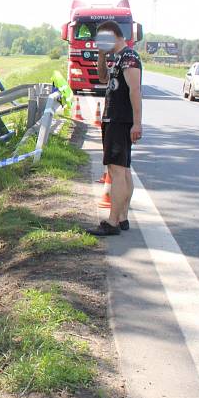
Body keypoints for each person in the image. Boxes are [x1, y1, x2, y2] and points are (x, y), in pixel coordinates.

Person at [89, 20, 143, 236]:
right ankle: (122, 217)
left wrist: (137, 123)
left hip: (120, 121)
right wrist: (101, 56)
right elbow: (102, 78)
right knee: (123, 169)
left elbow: (135, 90)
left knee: (117, 171)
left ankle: (112, 222)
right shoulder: (117, 58)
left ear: (113, 35)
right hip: (114, 120)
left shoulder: (129, 57)